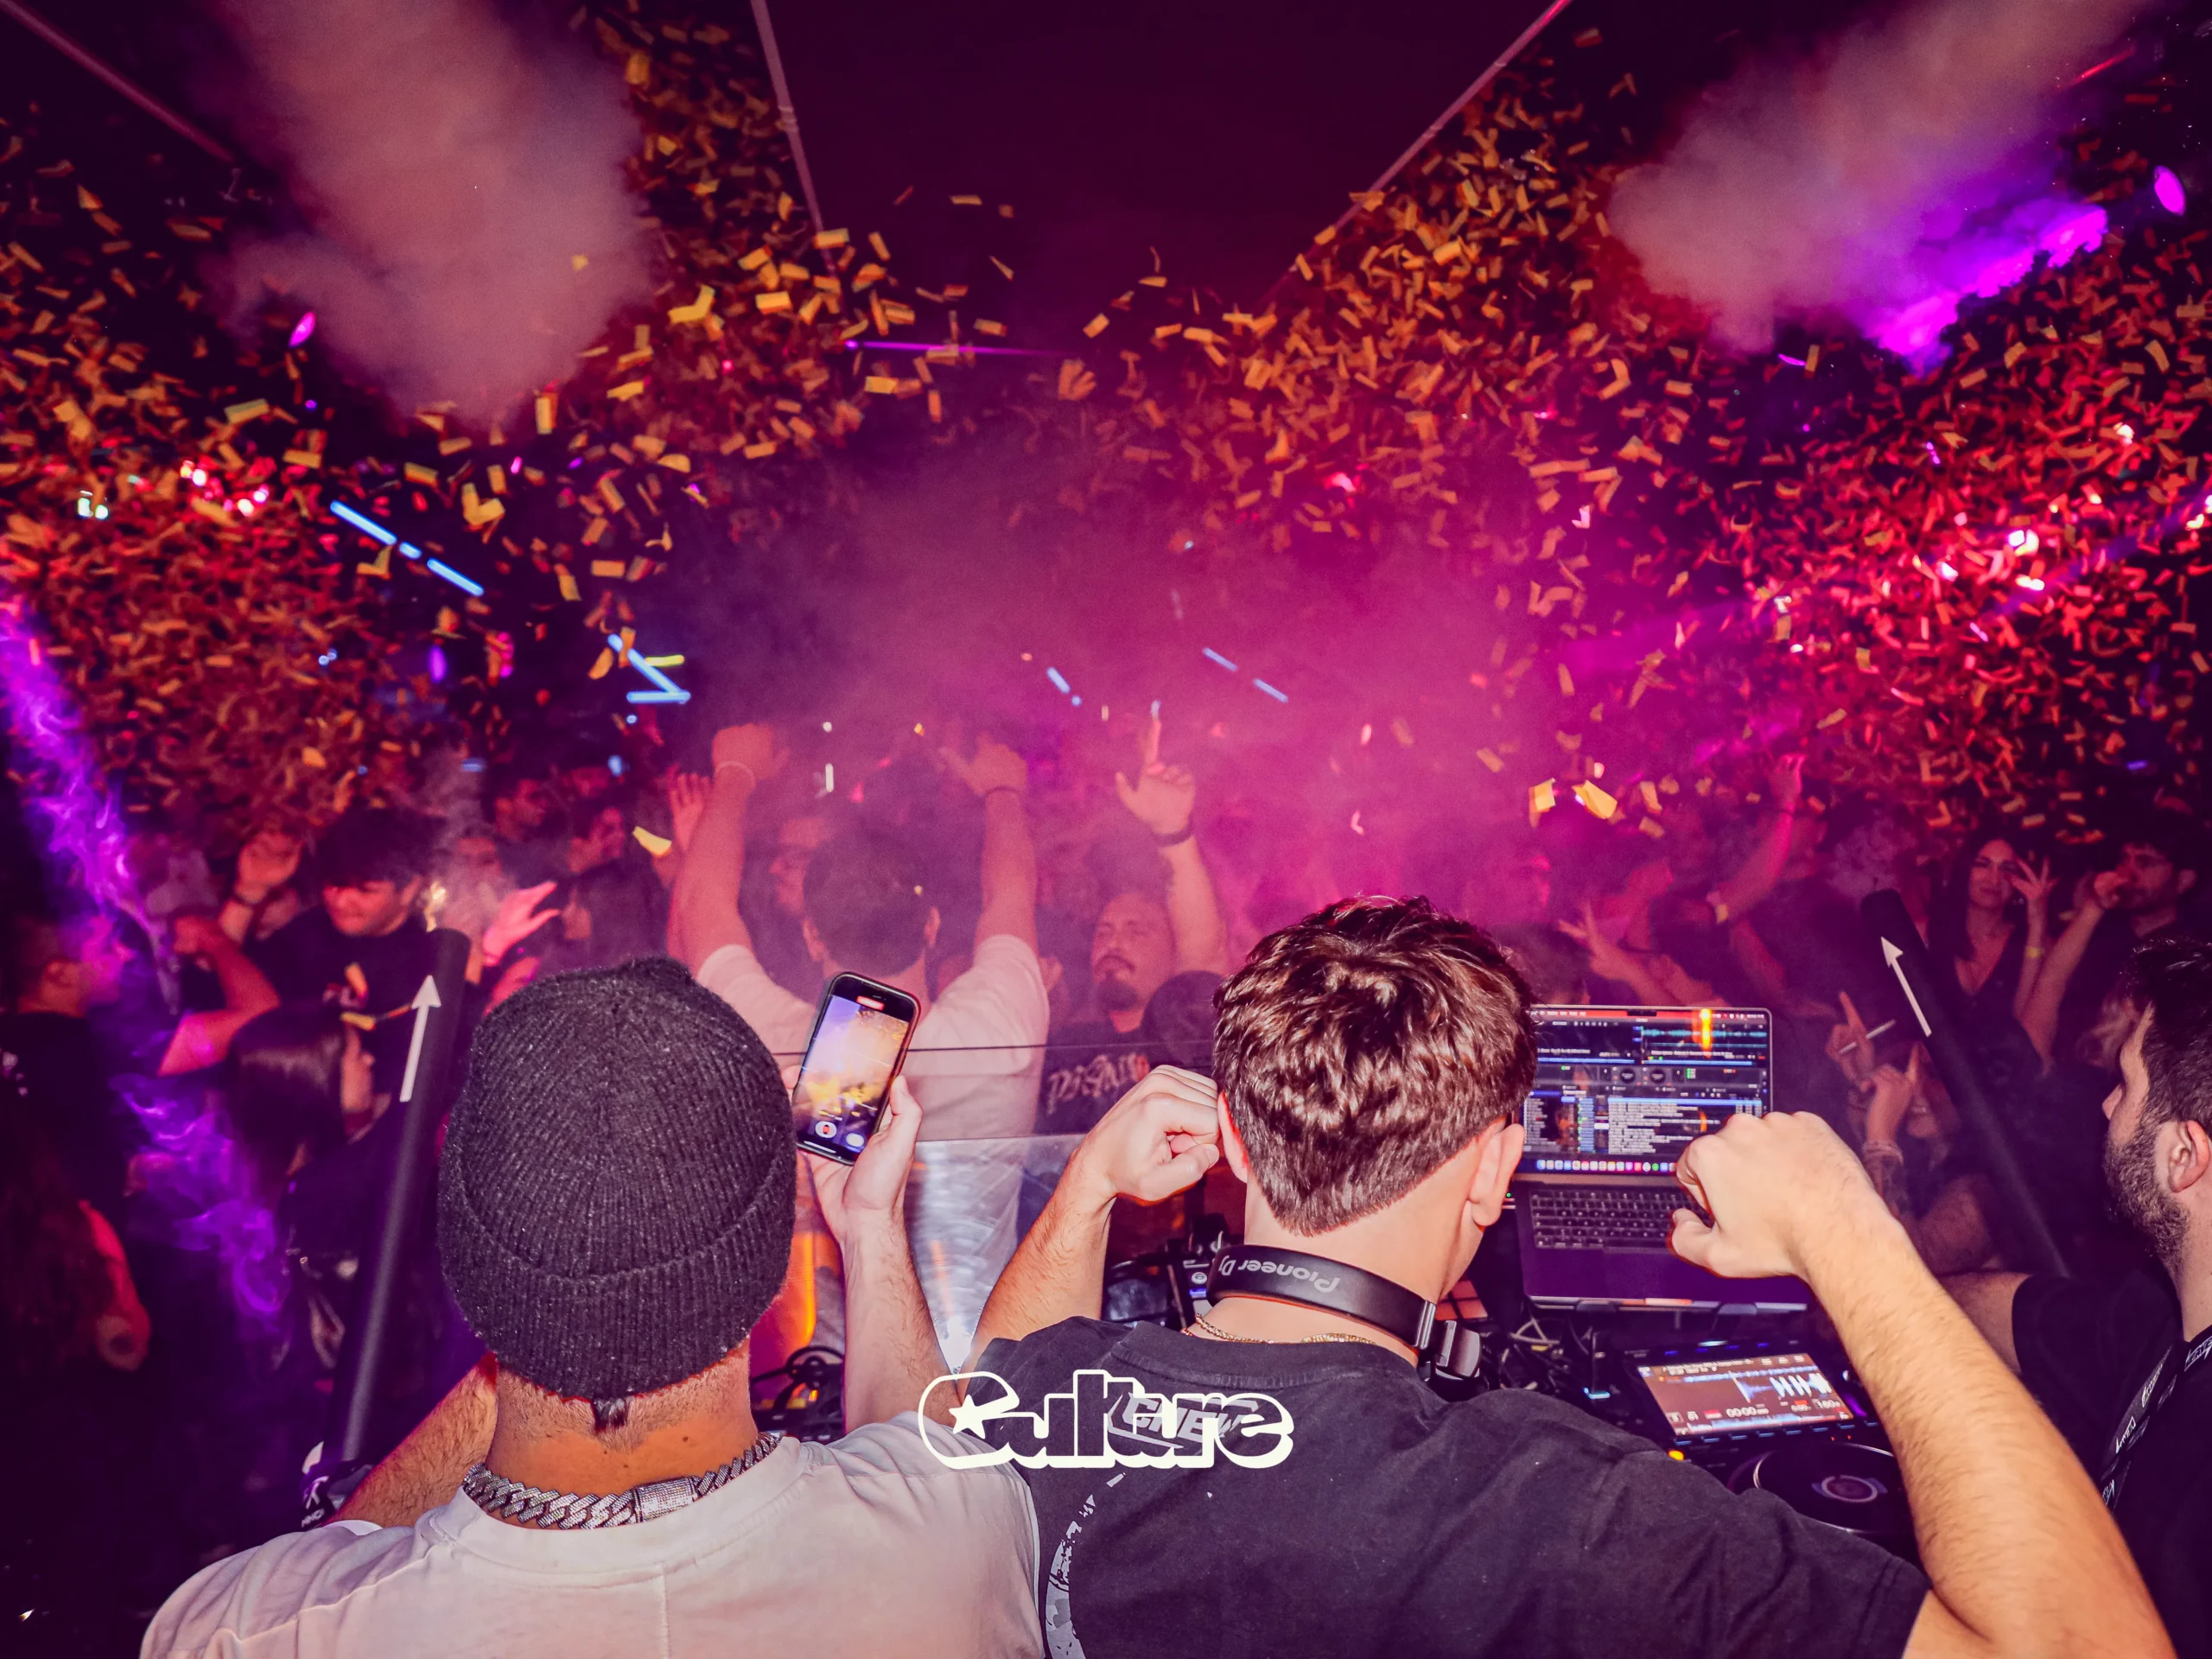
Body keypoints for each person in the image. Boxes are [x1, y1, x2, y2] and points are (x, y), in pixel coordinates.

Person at [969, 896, 2167, 1659]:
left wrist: (1086, 1190)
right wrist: (1851, 1234)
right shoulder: (1568, 1512)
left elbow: (994, 1386)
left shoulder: (1063, 1408)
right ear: (1498, 1171)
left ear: (1231, 1140)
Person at [142, 957, 1039, 1658]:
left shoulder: (246, 1632)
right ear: (774, 1279)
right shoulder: (960, 1541)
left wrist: (544, 1298)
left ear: (464, 1269)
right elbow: (924, 1463)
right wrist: (869, 1227)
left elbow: (339, 1562)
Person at [676, 721, 1047, 1359]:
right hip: (978, 1369)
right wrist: (1003, 791)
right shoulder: (1002, 1023)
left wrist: (734, 773)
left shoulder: (771, 1043)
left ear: (813, 935)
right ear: (931, 926)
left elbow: (702, 909)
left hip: (821, 1378)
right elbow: (1011, 896)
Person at [1947, 935, 2212, 1650]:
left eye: (2125, 1084)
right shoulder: (2157, 1317)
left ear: (2183, 1156)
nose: (2105, 1105)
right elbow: (2004, 1309)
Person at [1038, 718, 1231, 1136]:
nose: (1113, 943)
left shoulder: (1185, 1043)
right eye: (1104, 932)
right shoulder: (1063, 1042)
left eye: (1137, 931)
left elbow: (1204, 948)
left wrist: (1172, 832)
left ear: (1173, 952)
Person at [2035, 812, 2205, 1061]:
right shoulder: (2100, 928)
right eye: (2124, 859)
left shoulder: (2187, 954)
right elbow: (2049, 985)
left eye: (2145, 863)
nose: (2127, 873)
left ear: (2183, 880)